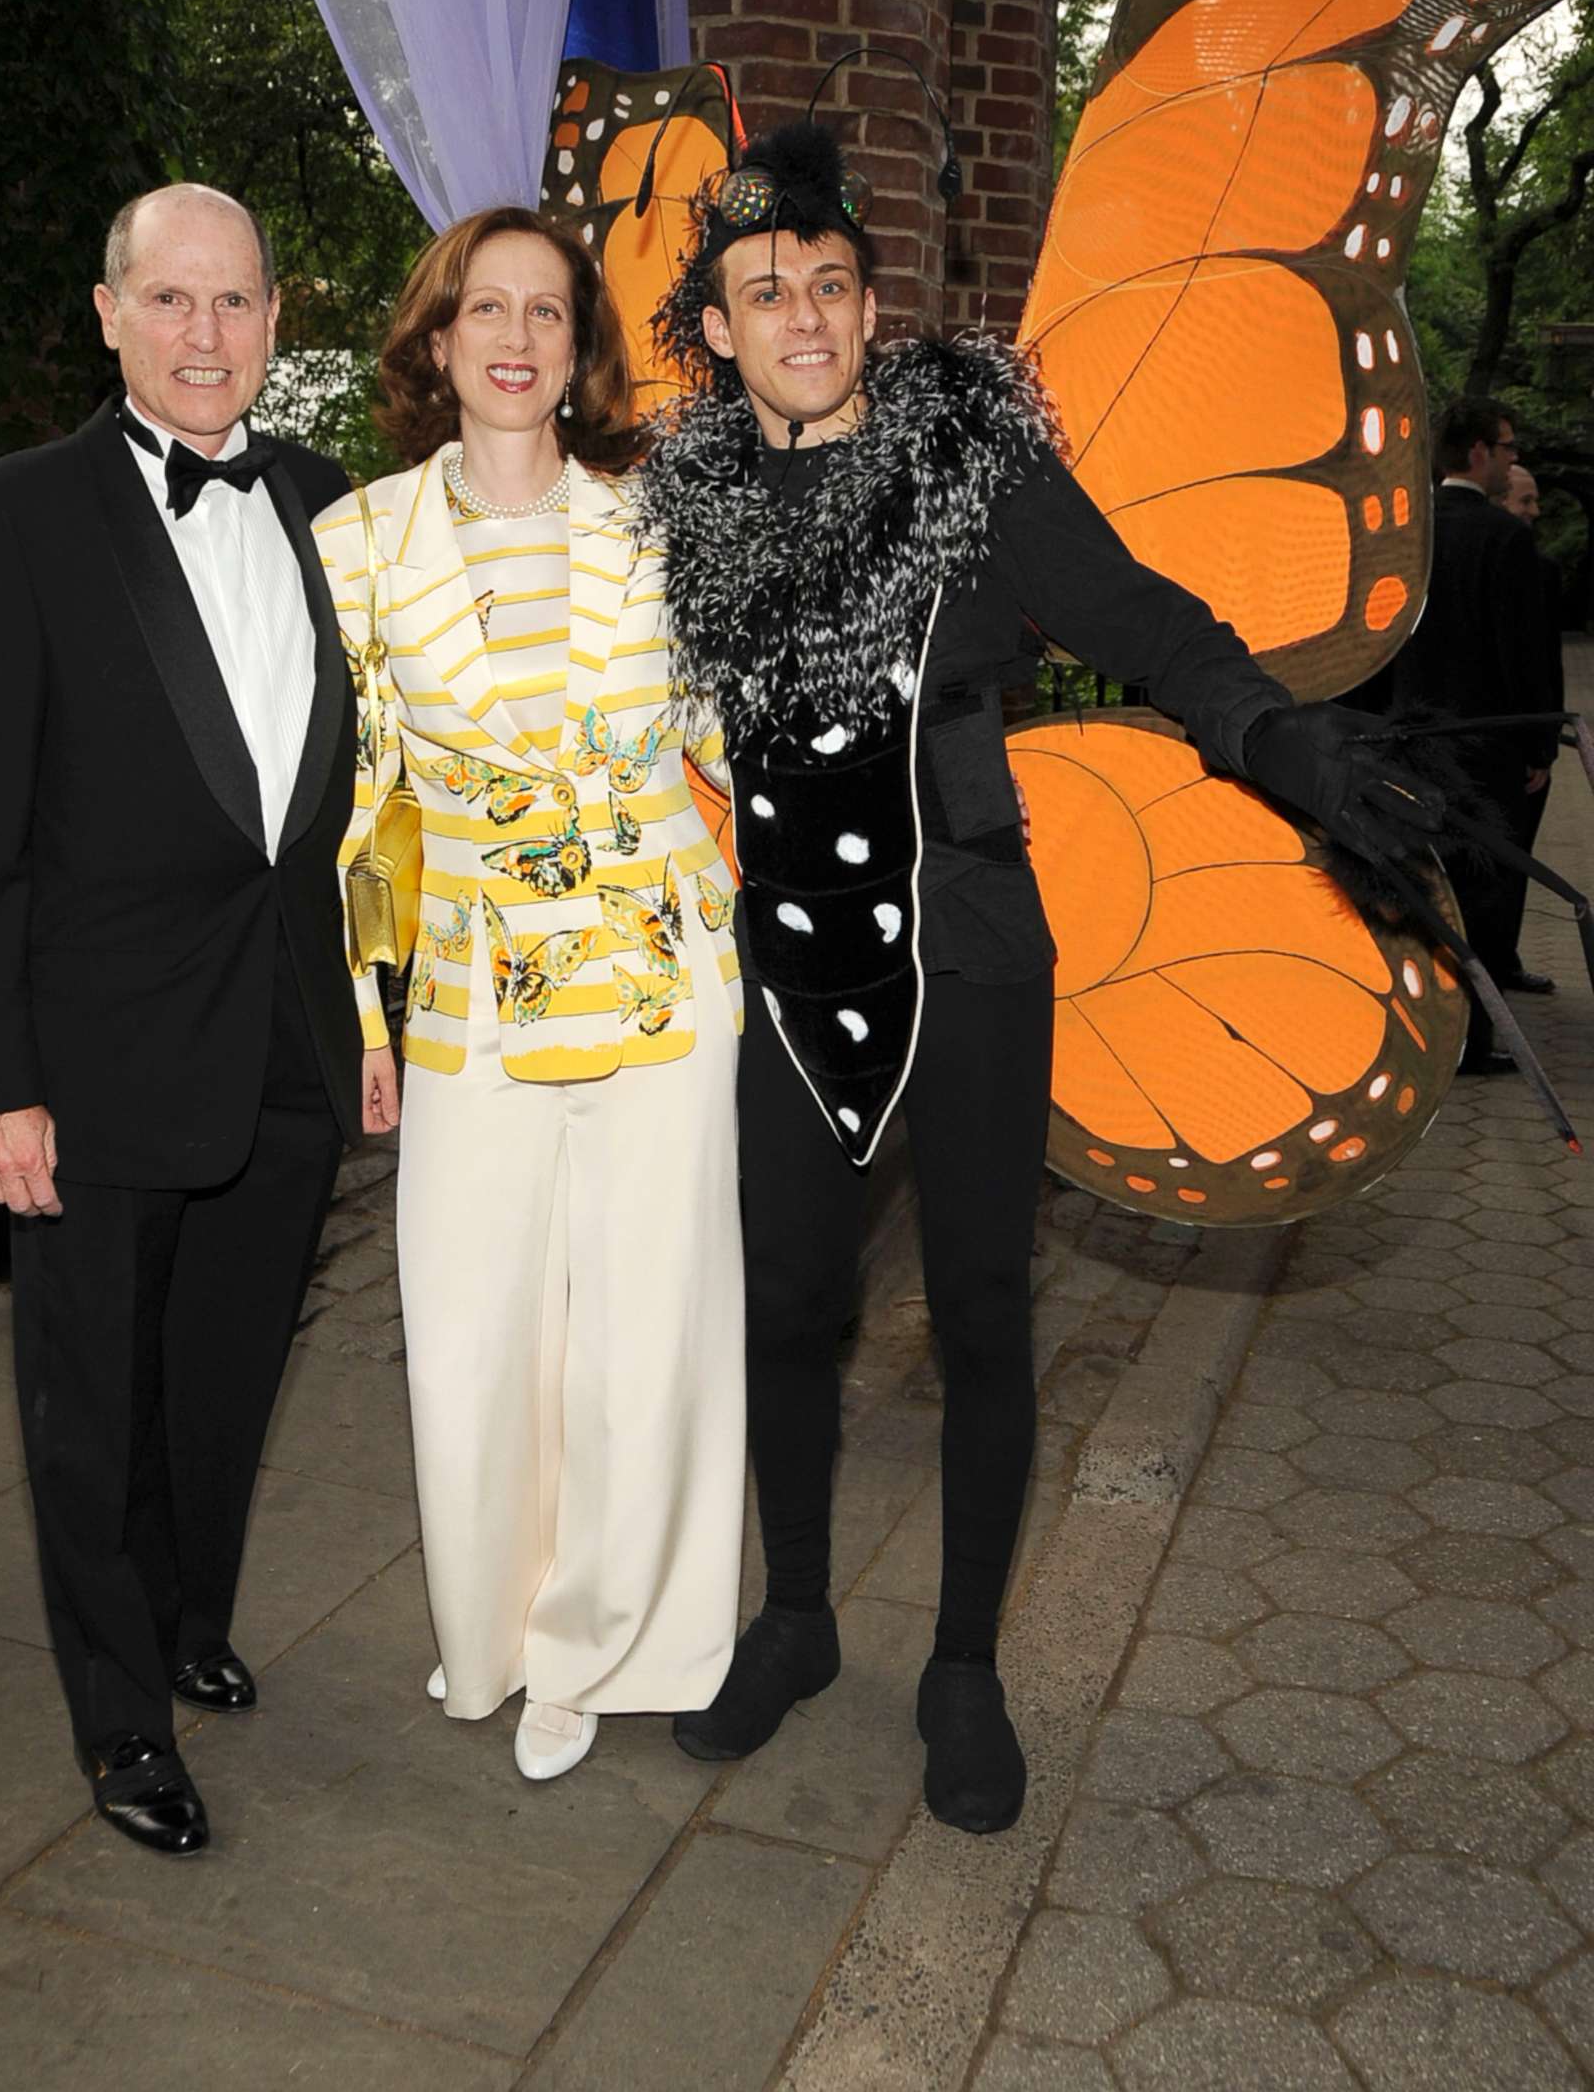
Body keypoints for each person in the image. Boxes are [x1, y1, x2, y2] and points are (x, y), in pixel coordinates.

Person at [638, 118, 1439, 1835]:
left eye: (834, 287)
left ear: (869, 309)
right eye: (765, 291)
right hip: (789, 966)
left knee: (983, 1314)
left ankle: (965, 1667)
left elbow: (1153, 628)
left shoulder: (972, 477)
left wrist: (1279, 742)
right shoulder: (684, 510)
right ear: (713, 327)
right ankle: (792, 1620)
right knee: (785, 1304)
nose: (805, 317)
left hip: (973, 954)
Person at [0, 183, 361, 1857]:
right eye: (168, 301)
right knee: (88, 1401)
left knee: (225, 1382)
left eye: (233, 302)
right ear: (108, 314)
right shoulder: (9, 517)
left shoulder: (329, 506)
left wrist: (370, 1009)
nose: (202, 334)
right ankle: (118, 1722)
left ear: (269, 320)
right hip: (88, 1066)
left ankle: (181, 1617)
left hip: (284, 1048)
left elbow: (352, 804)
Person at [313, 206, 742, 1785]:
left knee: (649, 1330)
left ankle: (609, 1644)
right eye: (480, 310)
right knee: (475, 1334)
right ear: (436, 341)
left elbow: (717, 759)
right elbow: (368, 810)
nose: (512, 338)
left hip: (662, 983)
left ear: (580, 351)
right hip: (473, 999)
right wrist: (370, 1014)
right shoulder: (355, 544)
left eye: (546, 314)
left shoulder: (666, 526)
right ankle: (490, 1635)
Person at [1368, 400, 1559, 1067]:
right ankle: (1471, 1042)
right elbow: (1522, 655)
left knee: (1416, 883)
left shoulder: (1402, 529)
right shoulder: (1502, 540)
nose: (1511, 459)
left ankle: (1412, 1025)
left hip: (1407, 738)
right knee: (1482, 893)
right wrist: (1538, 745)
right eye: (1506, 448)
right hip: (1484, 745)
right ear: (1477, 452)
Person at [1495, 457, 1565, 994]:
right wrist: (1539, 745)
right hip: (1508, 741)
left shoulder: (1541, 570)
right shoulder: (1532, 570)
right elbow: (1533, 664)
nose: (1534, 512)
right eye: (1525, 501)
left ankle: (1502, 957)